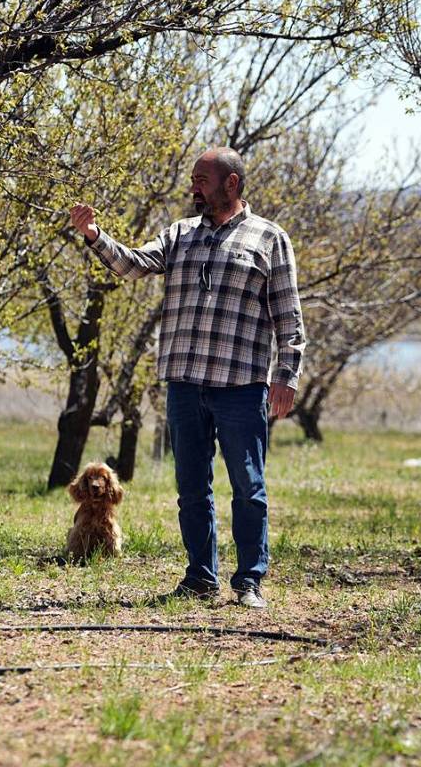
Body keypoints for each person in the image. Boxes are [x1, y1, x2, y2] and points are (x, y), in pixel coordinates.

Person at [68, 147, 306, 609]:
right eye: (194, 178)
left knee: (248, 486)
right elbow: (132, 264)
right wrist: (95, 235)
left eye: (202, 179)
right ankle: (200, 577)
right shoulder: (179, 234)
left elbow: (289, 317)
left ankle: (249, 581)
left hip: (241, 386)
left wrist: (287, 375)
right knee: (192, 488)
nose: (193, 186)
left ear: (231, 183)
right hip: (184, 383)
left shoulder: (270, 238)